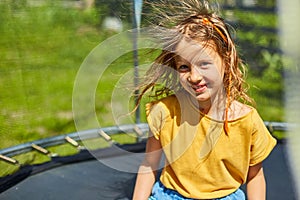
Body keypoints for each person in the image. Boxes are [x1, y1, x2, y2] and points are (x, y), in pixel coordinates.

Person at [132, 0, 277, 199]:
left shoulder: (247, 121)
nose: (194, 76)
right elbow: (149, 165)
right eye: (184, 67)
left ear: (227, 62)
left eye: (204, 64)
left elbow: (255, 176)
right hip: (170, 195)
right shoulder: (165, 112)